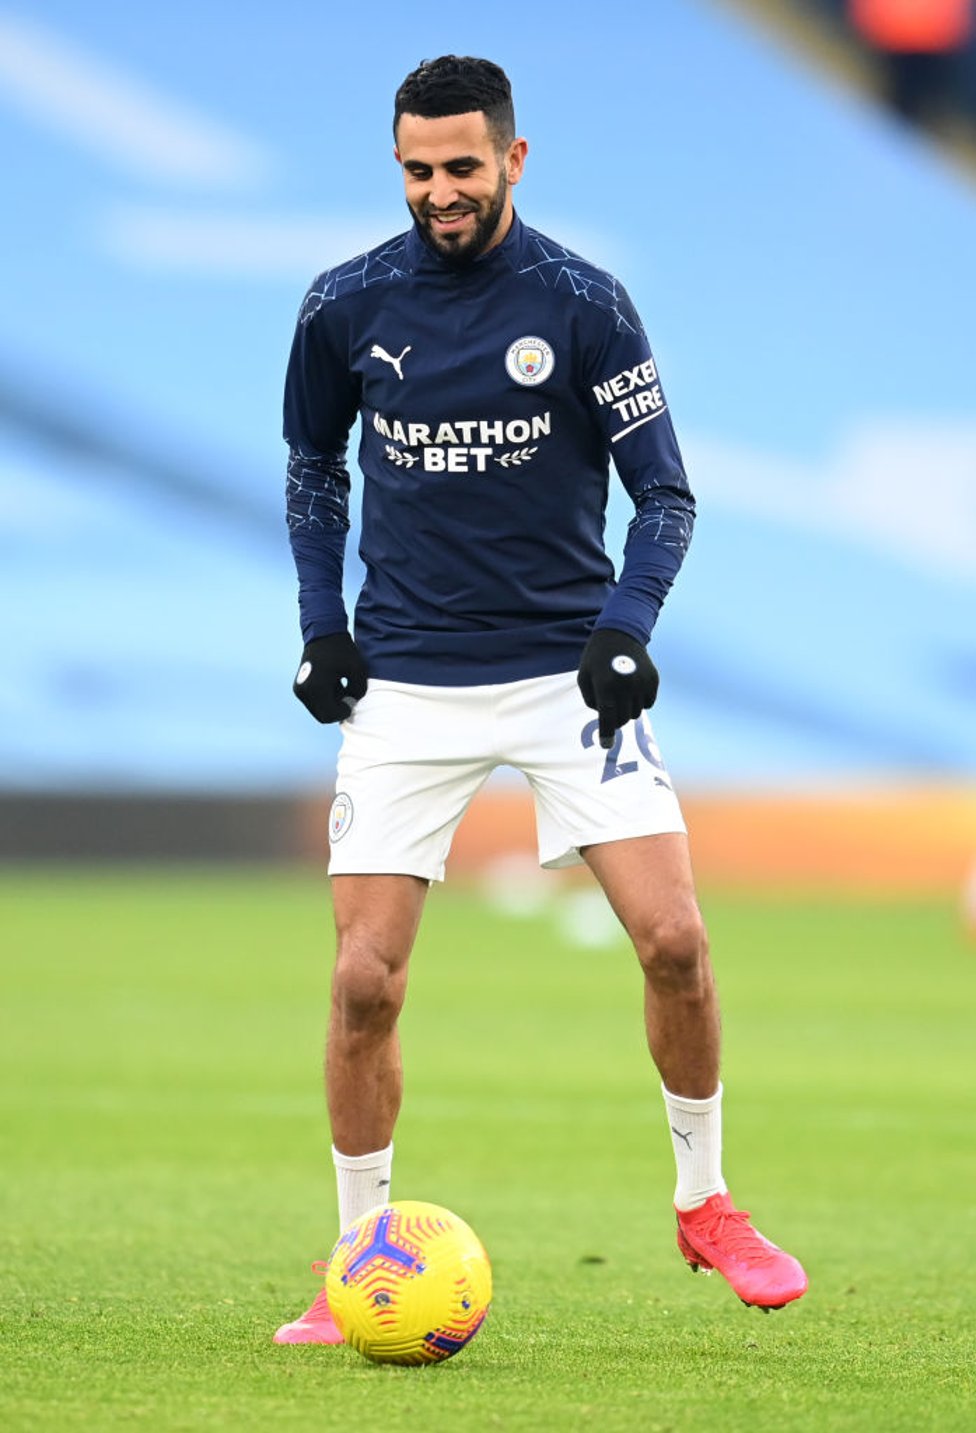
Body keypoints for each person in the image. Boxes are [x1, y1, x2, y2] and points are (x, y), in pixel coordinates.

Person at [274, 55, 807, 1345]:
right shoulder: (345, 305)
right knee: (363, 986)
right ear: (397, 165)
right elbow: (312, 466)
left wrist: (625, 629)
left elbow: (666, 493)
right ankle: (358, 1268)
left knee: (675, 942)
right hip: (404, 682)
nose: (440, 191)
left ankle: (705, 1202)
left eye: (463, 166)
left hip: (566, 676)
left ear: (514, 159)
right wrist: (321, 628)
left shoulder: (581, 303)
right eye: (417, 169)